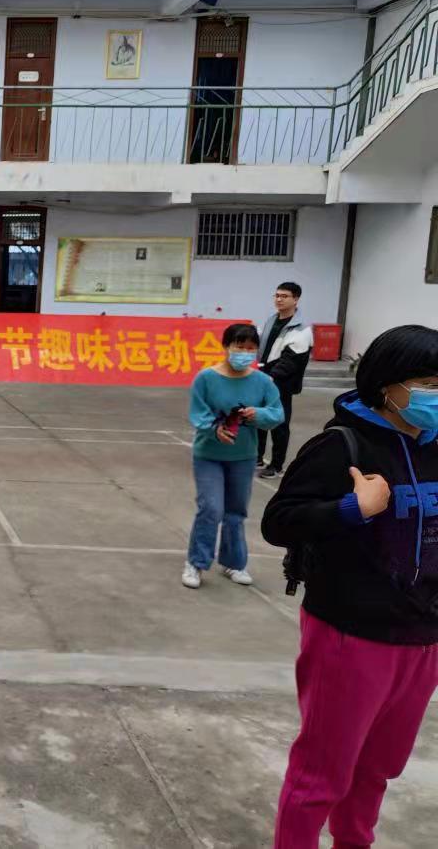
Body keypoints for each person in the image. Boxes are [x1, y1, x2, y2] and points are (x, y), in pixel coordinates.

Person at [263, 325, 438, 849]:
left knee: (377, 768)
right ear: (389, 385)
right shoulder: (341, 446)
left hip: (423, 638)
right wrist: (350, 508)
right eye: (430, 384)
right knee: (322, 774)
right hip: (351, 635)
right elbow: (279, 521)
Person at [181, 323, 285, 590]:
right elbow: (198, 413)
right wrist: (214, 429)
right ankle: (196, 562)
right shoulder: (206, 378)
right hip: (209, 455)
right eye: (240, 347)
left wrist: (258, 414)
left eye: (251, 349)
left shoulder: (262, 382)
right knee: (210, 508)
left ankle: (234, 562)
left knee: (236, 511)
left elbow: (277, 413)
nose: (245, 353)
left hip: (243, 456)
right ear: (226, 346)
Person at [257, 281, 313, 480]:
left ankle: (276, 465)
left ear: (296, 299)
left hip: (281, 383)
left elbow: (291, 360)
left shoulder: (302, 329)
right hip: (263, 376)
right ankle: (257, 458)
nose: (279, 299)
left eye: (284, 296)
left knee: (279, 424)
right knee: (259, 419)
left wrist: (272, 376)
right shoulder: (271, 320)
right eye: (277, 295)